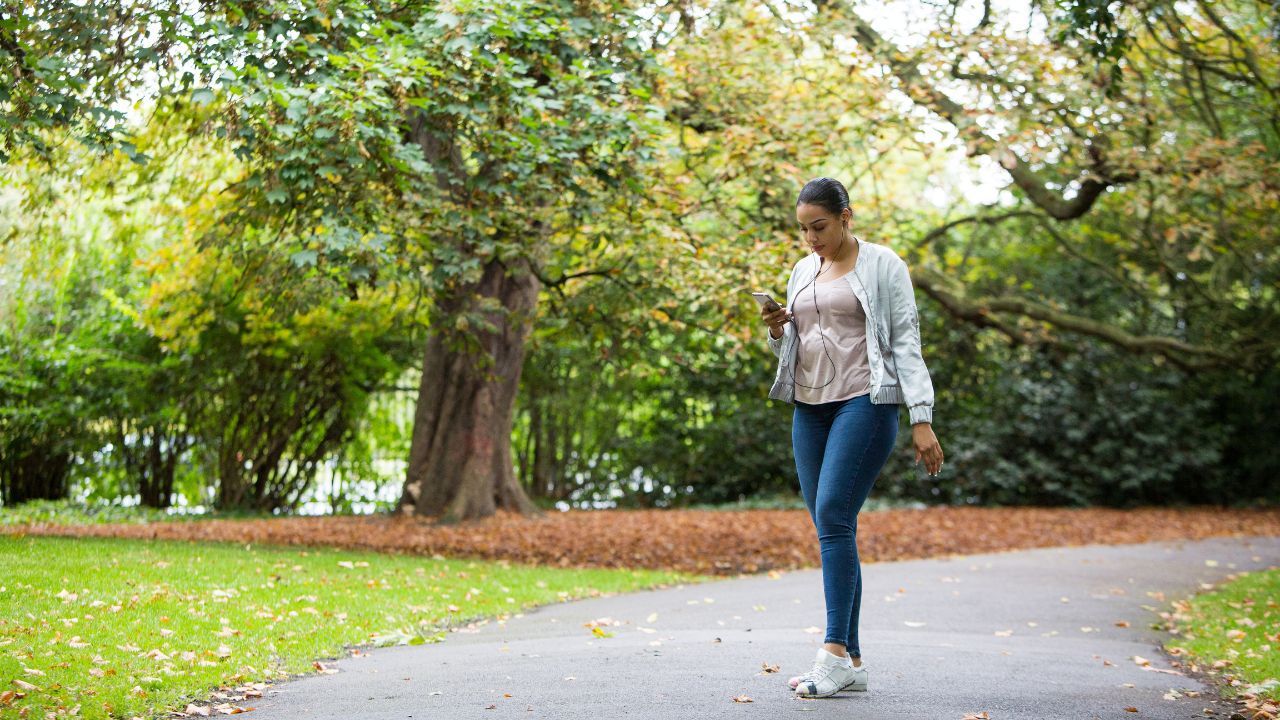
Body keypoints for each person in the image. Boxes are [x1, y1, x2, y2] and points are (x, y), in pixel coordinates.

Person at [759, 176, 944, 698]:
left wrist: (921, 416)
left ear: (847, 216)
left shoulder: (884, 265)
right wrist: (777, 328)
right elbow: (801, 338)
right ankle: (854, 662)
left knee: (835, 515)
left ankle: (834, 651)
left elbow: (905, 338)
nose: (811, 239)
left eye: (819, 227)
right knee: (830, 525)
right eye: (802, 230)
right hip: (809, 405)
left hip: (865, 400)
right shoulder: (803, 269)